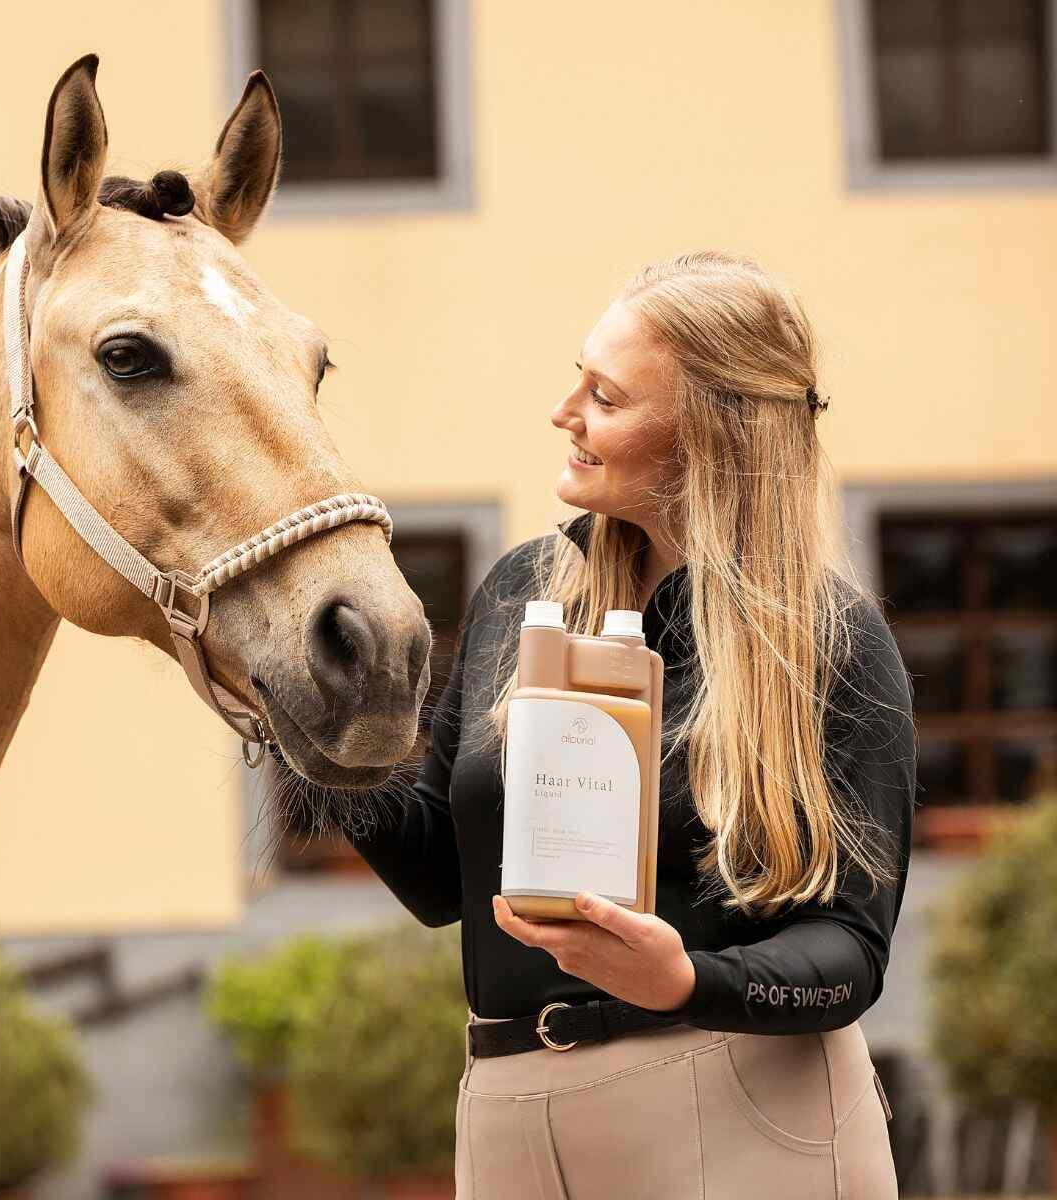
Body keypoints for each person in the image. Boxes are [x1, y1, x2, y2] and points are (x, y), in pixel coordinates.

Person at [346, 250, 916, 1199]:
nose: (566, 412)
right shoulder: (522, 590)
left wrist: (688, 978)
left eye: (605, 396)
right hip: (506, 1112)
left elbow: (850, 954)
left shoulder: (829, 643)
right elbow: (442, 880)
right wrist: (322, 740)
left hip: (738, 1103)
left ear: (710, 437)